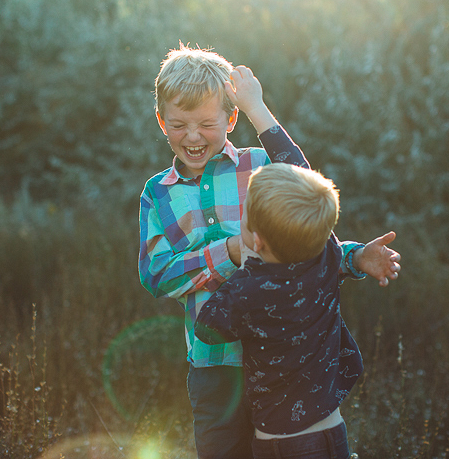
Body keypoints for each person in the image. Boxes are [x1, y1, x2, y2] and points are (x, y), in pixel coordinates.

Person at [138, 44, 400, 458]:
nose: (192, 136)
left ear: (231, 116)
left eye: (206, 123)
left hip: (286, 361)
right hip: (215, 364)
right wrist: (232, 251)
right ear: (161, 121)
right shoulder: (158, 194)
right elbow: (156, 275)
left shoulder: (259, 165)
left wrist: (351, 257)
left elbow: (308, 220)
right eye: (178, 124)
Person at [195, 163, 390, 458]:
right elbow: (299, 166)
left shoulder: (250, 288)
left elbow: (206, 327)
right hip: (333, 432)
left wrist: (246, 266)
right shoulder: (325, 256)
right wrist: (359, 256)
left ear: (257, 240)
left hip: (283, 445)